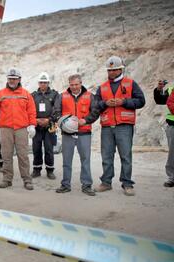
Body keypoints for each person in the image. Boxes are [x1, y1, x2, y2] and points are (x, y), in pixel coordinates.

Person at [94, 56, 145, 196]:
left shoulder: (130, 83)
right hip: (107, 126)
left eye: (114, 70)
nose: (111, 72)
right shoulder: (102, 87)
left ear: (120, 69)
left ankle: (127, 184)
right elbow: (95, 105)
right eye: (109, 70)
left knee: (126, 156)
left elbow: (141, 101)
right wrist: (105, 104)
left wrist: (124, 102)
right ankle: (106, 182)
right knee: (107, 156)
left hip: (124, 126)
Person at [0, 67, 37, 190]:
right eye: (10, 78)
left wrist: (32, 125)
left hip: (21, 128)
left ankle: (27, 179)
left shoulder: (26, 94)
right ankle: (7, 179)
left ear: (19, 79)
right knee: (6, 155)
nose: (12, 81)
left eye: (14, 79)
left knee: (23, 155)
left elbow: (31, 111)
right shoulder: (0, 94)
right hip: (5, 129)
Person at [53, 74, 100, 196]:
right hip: (67, 134)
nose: (74, 87)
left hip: (84, 133)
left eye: (76, 84)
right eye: (71, 84)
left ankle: (87, 185)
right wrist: (62, 122)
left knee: (85, 160)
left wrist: (85, 120)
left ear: (81, 83)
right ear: (69, 84)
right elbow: (56, 112)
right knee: (66, 160)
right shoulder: (62, 96)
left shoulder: (90, 96)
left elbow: (95, 111)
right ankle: (65, 185)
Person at [31, 72, 58, 179]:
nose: (43, 84)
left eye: (45, 82)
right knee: (36, 148)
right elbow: (29, 110)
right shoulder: (33, 95)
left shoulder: (54, 95)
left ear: (48, 83)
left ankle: (50, 170)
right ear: (38, 83)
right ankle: (36, 170)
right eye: (41, 82)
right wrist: (35, 120)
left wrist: (49, 120)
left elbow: (57, 109)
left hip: (50, 126)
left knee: (49, 149)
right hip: (36, 126)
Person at [153, 80, 174, 187]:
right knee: (173, 153)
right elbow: (160, 100)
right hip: (173, 125)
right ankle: (172, 177)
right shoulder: (171, 89)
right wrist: (159, 90)